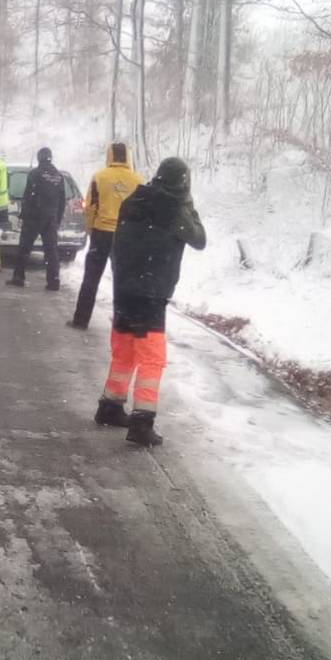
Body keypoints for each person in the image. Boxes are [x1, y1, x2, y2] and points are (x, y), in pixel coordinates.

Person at [95, 156, 206, 448]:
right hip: (150, 293)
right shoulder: (175, 208)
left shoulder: (134, 199)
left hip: (124, 287)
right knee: (152, 359)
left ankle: (110, 405)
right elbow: (199, 238)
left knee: (124, 352)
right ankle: (142, 422)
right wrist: (188, 203)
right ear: (183, 182)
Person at [68, 142, 142, 329]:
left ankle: (81, 319)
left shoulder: (100, 177)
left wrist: (91, 229)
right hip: (126, 236)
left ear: (109, 156)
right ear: (127, 157)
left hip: (102, 233)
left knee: (91, 278)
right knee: (123, 279)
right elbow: (142, 211)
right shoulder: (138, 180)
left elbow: (91, 207)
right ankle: (123, 322)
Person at [6, 147, 66, 292]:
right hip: (50, 218)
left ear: (39, 158)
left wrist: (23, 215)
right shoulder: (59, 176)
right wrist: (57, 219)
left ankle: (18, 277)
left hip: (34, 217)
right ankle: (54, 281)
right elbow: (62, 201)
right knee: (51, 251)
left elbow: (28, 197)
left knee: (24, 248)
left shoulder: (35, 174)